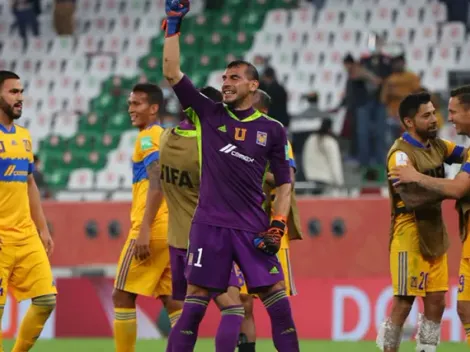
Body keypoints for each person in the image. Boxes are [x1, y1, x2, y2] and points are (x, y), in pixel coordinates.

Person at [162, 1, 299, 351]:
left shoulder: (273, 130)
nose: (225, 82)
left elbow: (285, 183)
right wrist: (174, 26)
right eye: (223, 77)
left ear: (253, 85)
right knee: (193, 307)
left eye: (234, 77)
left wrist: (278, 224)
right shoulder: (209, 113)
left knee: (279, 305)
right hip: (209, 225)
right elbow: (172, 73)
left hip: (253, 227)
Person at [376, 92, 466, 352]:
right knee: (404, 302)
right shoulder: (400, 155)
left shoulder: (438, 146)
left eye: (434, 112)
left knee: (437, 301)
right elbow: (412, 198)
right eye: (426, 115)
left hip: (435, 231)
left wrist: (434, 183)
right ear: (409, 122)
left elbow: (467, 154)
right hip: (408, 232)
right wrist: (452, 188)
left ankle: (427, 350)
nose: (435, 119)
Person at [160, 86, 246, 352]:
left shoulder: (165, 138)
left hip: (176, 239)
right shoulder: (208, 149)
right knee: (233, 309)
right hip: (205, 239)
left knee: (191, 311)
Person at [112, 83, 182, 352]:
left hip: (151, 226)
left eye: (137, 104)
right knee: (172, 301)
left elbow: (158, 180)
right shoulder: (164, 136)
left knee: (122, 294)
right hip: (169, 229)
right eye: (130, 103)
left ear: (154, 108)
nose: (131, 109)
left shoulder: (147, 137)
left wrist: (144, 229)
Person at [237, 89, 303, 352]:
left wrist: (254, 172)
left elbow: (288, 179)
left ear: (259, 107)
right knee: (242, 301)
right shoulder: (237, 133)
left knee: (277, 302)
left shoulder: (277, 136)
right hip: (242, 226)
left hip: (272, 228)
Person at [0, 71, 56, 351]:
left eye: (21, 92)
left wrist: (42, 229)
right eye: (13, 92)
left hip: (25, 236)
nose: (20, 98)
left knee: (46, 299)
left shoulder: (24, 137)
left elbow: (30, 183)